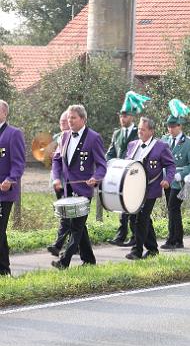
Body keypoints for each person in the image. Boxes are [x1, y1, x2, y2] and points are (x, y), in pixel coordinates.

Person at [51, 104, 106, 269]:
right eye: (69, 117)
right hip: (67, 189)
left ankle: (63, 261)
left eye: (73, 118)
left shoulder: (94, 138)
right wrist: (56, 178)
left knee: (75, 227)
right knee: (79, 226)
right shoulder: (64, 136)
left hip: (83, 191)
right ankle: (89, 260)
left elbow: (102, 165)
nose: (70, 120)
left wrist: (95, 178)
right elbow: (56, 160)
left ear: (83, 119)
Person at [124, 117, 175, 260]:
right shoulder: (132, 145)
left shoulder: (161, 146)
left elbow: (171, 165)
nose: (140, 132)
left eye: (143, 129)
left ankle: (137, 251)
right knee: (138, 218)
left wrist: (167, 179)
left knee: (141, 219)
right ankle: (152, 249)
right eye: (139, 129)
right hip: (133, 189)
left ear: (151, 131)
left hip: (150, 189)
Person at [160, 101, 190, 250]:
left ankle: (173, 239)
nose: (170, 129)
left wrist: (181, 175)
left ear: (180, 126)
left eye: (173, 126)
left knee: (173, 207)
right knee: (172, 209)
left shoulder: (189, 143)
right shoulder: (164, 140)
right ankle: (177, 239)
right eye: (168, 126)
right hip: (167, 180)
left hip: (180, 181)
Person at [105, 97, 140, 247]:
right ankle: (121, 235)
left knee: (132, 207)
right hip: (120, 175)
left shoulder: (138, 132)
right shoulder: (117, 134)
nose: (122, 118)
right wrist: (107, 163)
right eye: (121, 116)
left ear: (132, 117)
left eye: (125, 116)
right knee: (121, 205)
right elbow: (111, 152)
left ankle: (135, 236)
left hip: (134, 174)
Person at [0, 100, 26, 276]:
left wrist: (11, 179)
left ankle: (3, 270)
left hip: (4, 192)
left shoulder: (13, 134)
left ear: (4, 113)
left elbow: (19, 163)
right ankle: (4, 269)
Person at [46, 111, 72, 256]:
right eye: (61, 121)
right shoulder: (57, 137)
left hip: (70, 182)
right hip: (58, 181)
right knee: (70, 215)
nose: (62, 123)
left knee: (67, 214)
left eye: (65, 121)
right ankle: (76, 245)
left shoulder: (76, 138)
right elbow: (49, 157)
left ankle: (58, 245)